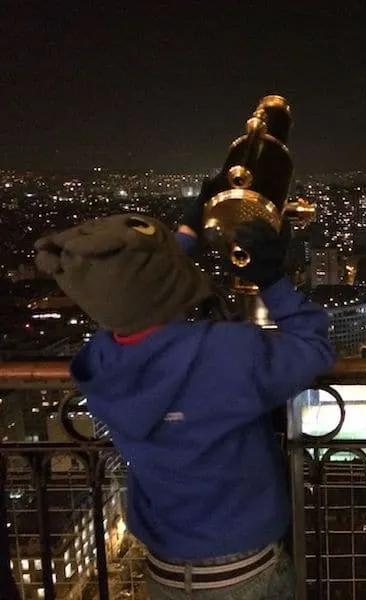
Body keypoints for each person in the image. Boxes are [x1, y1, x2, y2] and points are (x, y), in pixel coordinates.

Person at [33, 194, 334, 600]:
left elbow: (130, 296)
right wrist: (272, 279)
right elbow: (313, 347)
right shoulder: (226, 353)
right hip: (245, 571)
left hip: (166, 572)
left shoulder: (101, 363)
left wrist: (185, 238)